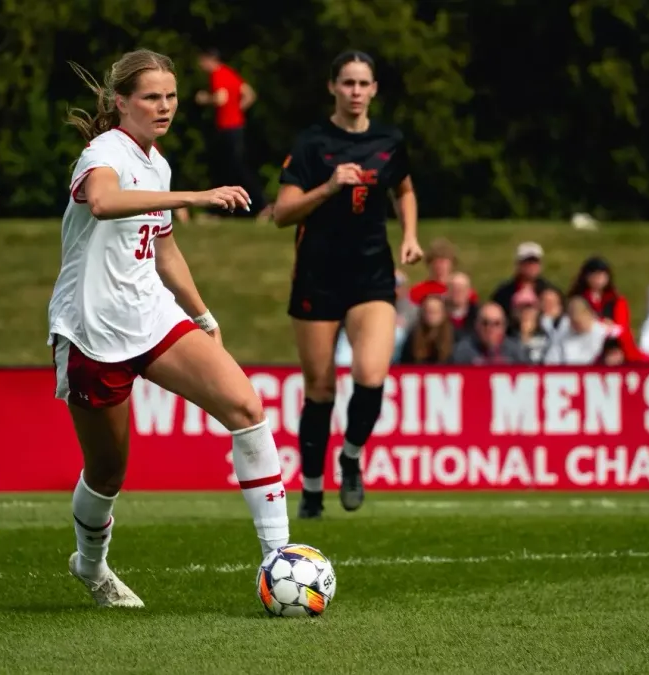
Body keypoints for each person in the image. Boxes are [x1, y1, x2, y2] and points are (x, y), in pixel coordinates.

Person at [53, 51, 289, 608]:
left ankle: (279, 561)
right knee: (107, 471)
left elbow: (163, 247)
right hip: (93, 328)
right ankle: (90, 565)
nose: (164, 107)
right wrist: (196, 198)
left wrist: (203, 315)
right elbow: (106, 201)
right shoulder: (102, 153)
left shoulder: (156, 163)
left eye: (172, 96)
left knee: (246, 408)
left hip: (151, 313)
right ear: (121, 102)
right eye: (152, 97)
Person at [273, 50, 422, 519]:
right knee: (320, 388)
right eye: (347, 83)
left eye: (363, 84)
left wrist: (411, 236)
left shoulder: (389, 140)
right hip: (318, 276)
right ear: (332, 87)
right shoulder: (313, 143)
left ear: (375, 89)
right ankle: (312, 490)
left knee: (371, 374)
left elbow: (404, 188)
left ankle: (352, 456)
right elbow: (281, 214)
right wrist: (328, 188)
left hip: (371, 276)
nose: (356, 92)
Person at [195, 48, 263, 217]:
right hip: (237, 126)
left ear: (210, 59)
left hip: (227, 128)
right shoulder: (229, 72)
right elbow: (249, 94)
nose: (201, 65)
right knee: (234, 168)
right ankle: (241, 209)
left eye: (202, 61)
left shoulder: (217, 75)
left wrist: (204, 98)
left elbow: (220, 98)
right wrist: (238, 110)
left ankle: (260, 205)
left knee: (230, 169)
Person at [490, 242, 558, 322]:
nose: (531, 266)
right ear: (518, 264)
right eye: (527, 262)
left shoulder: (550, 292)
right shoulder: (503, 294)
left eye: (535, 262)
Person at [451, 302, 523, 365]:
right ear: (477, 325)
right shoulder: (462, 352)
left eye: (496, 324)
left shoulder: (515, 352)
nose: (490, 328)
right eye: (485, 323)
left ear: (504, 326)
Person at [545, 297, 610, 365]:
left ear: (589, 314)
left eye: (578, 323)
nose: (575, 326)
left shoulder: (603, 334)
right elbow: (551, 359)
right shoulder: (564, 331)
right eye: (573, 322)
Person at [398, 295, 455, 364]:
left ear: (443, 313)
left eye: (435, 311)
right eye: (428, 311)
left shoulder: (453, 336)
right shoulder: (413, 336)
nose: (431, 316)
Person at [509, 296, 551, 364]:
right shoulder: (509, 339)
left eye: (531, 309)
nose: (527, 313)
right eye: (522, 309)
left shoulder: (546, 338)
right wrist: (524, 336)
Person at [445, 271, 479, 339]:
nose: (457, 293)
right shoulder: (438, 314)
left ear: (469, 292)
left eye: (461, 289)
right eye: (453, 289)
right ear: (447, 291)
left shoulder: (479, 314)